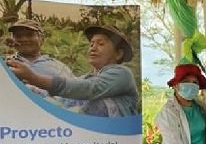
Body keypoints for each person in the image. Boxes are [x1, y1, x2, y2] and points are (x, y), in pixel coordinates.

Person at [8, 25, 139, 116]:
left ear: (118, 54)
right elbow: (61, 100)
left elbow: (89, 89)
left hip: (113, 142)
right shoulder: (86, 77)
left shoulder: (122, 73)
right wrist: (29, 89)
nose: (93, 48)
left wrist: (34, 78)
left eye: (100, 44)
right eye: (92, 44)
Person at [156, 64, 206, 144]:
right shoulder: (169, 112)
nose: (191, 85)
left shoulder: (201, 107)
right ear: (176, 85)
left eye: (195, 82)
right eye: (185, 81)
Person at [4, 17, 76, 99]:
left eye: (29, 35)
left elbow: (73, 96)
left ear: (41, 39)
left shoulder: (59, 68)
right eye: (18, 36)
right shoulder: (5, 64)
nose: (24, 39)